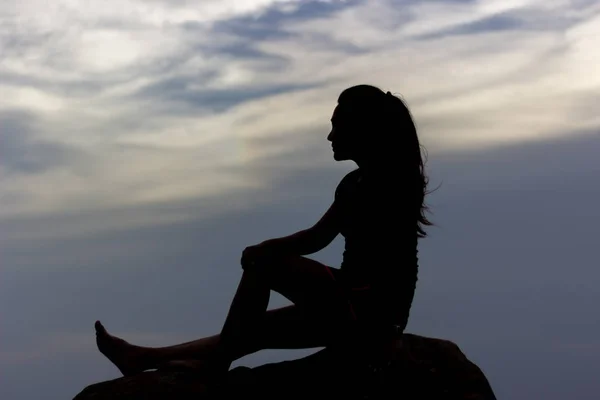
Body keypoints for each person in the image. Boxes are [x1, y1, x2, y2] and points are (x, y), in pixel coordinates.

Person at [94, 84, 432, 378]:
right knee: (250, 329)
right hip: (349, 304)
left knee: (262, 269)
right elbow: (317, 237)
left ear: (362, 128)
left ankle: (215, 366)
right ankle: (143, 358)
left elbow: (372, 275)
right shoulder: (354, 183)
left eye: (337, 126)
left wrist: (266, 255)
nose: (330, 136)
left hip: (368, 312)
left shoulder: (393, 182)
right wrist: (269, 247)